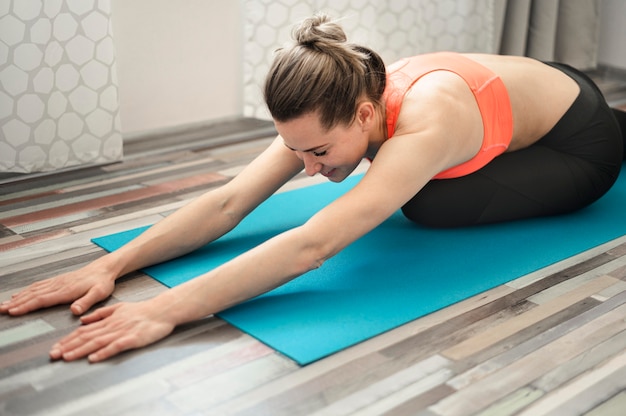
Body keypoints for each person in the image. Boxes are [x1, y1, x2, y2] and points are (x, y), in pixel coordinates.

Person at [2, 14, 625, 363]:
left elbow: (311, 247)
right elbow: (228, 201)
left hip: (580, 141)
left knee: (430, 200)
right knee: (403, 187)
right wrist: (115, 264)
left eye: (318, 153)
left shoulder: (429, 121)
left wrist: (164, 309)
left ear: (362, 115)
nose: (305, 168)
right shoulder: (332, 99)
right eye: (295, 150)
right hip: (540, 89)